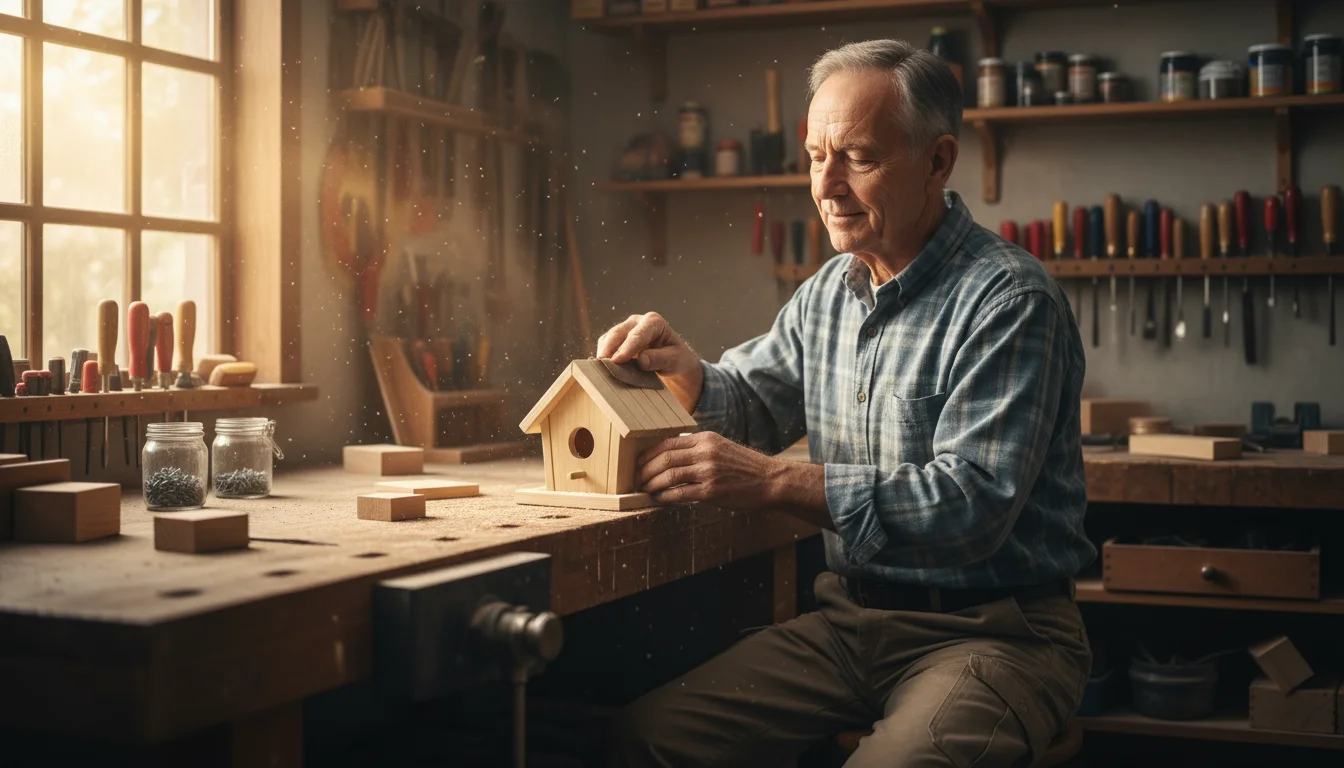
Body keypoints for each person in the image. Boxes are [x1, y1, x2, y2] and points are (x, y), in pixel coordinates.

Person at [600, 39, 1096, 768]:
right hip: (850, 623)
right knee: (642, 743)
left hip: (999, 633)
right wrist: (687, 373)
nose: (824, 186)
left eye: (856, 158)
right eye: (813, 156)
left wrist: (773, 481)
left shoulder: (1009, 299)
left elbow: (972, 506)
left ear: (938, 161)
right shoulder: (829, 294)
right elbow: (748, 406)